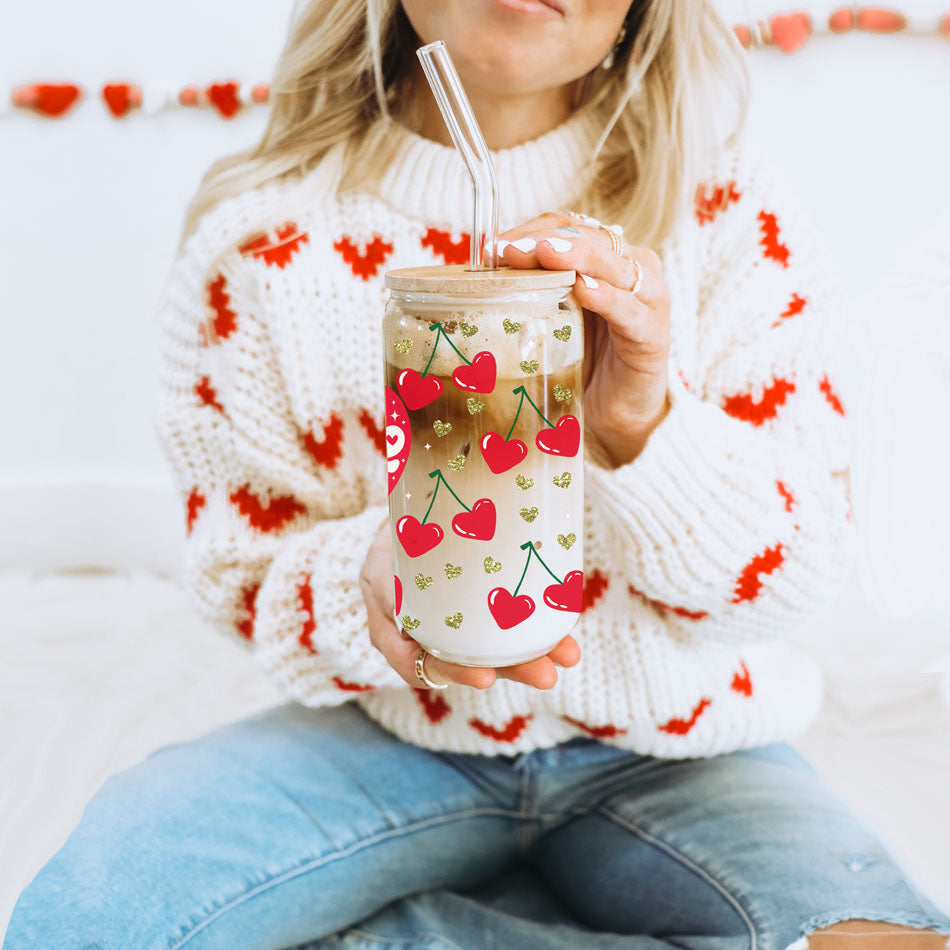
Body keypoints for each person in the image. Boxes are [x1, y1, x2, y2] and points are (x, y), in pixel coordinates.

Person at [6, 1, 950, 948]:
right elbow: (241, 572)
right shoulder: (263, 246)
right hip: (394, 738)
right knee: (88, 915)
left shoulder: (727, 210)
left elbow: (795, 578)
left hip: (682, 748)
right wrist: (366, 579)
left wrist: (639, 427)